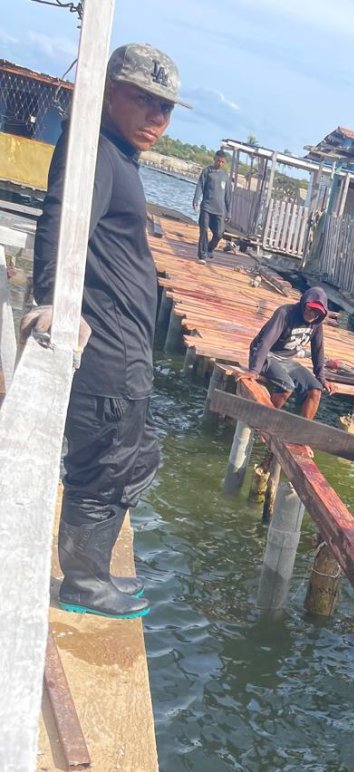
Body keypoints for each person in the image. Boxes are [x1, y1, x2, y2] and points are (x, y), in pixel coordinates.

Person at [31, 43, 189, 619]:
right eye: (144, 100)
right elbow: (60, 217)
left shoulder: (118, 153)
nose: (157, 117)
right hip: (108, 353)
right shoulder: (93, 150)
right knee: (105, 466)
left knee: (137, 458)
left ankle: (93, 569)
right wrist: (52, 299)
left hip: (128, 348)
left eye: (165, 107)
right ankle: (84, 582)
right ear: (109, 92)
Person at [245, 286, 333, 420]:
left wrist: (321, 378)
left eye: (317, 313)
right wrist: (254, 370)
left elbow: (318, 350)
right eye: (310, 309)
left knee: (316, 390)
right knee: (287, 386)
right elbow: (265, 342)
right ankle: (263, 420)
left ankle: (302, 429)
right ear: (304, 304)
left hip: (286, 360)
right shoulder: (285, 313)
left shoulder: (316, 323)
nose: (312, 314)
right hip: (267, 356)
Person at [193, 148, 232, 262]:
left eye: (222, 162)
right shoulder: (207, 171)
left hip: (219, 210)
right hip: (206, 207)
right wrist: (196, 199)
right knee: (204, 230)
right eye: (218, 161)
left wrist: (229, 212)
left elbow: (228, 195)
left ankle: (209, 248)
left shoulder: (225, 176)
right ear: (214, 159)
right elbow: (200, 185)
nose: (220, 163)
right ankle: (202, 255)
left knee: (219, 234)